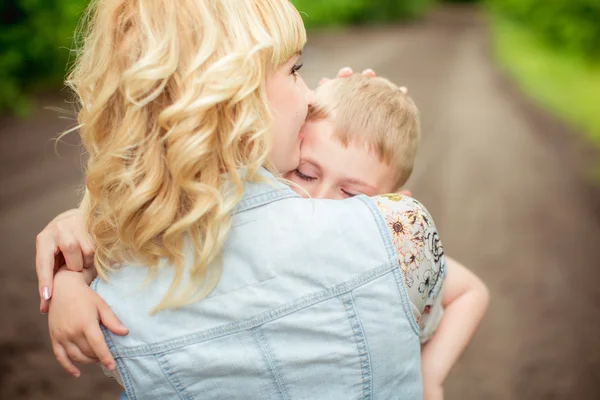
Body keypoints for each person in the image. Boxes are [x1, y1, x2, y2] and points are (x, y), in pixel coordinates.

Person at [37, 0, 455, 398]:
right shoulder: (399, 231)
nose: (311, 96)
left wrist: (72, 264)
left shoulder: (118, 293)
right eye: (296, 70)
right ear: (236, 96)